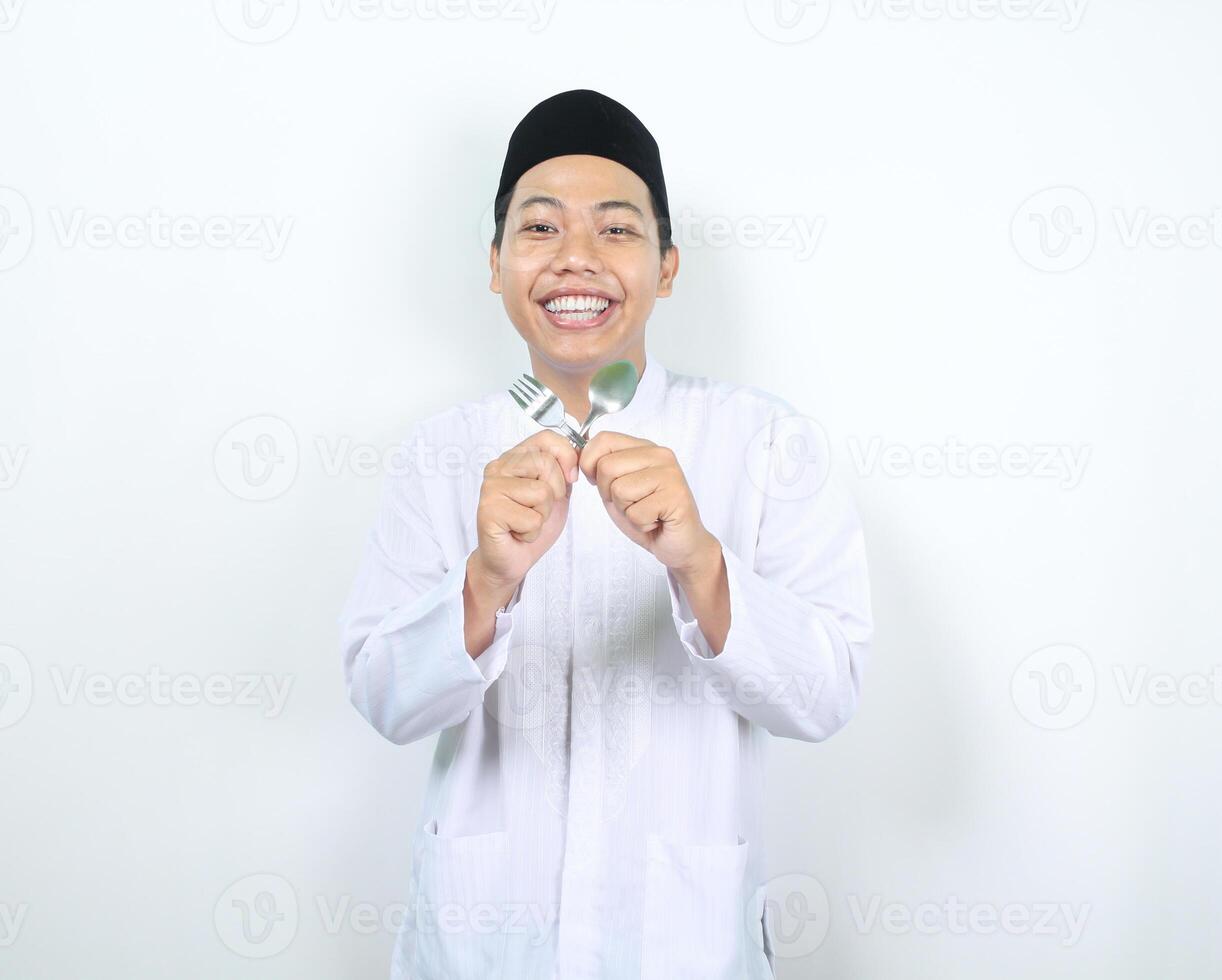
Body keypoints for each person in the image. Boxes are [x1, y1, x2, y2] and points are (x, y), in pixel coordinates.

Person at [338, 88, 873, 980]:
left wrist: (702, 566)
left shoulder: (765, 444)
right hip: (484, 943)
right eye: (539, 229)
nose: (575, 260)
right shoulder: (440, 455)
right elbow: (385, 700)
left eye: (616, 230)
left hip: (681, 942)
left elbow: (826, 698)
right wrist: (484, 584)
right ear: (496, 262)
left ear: (667, 267)